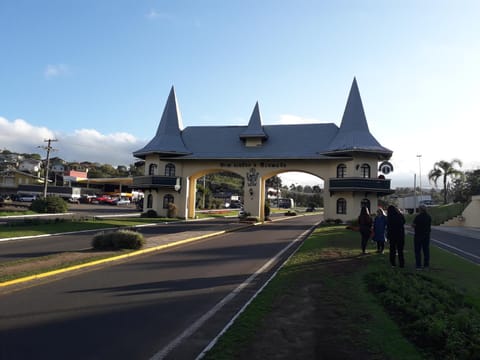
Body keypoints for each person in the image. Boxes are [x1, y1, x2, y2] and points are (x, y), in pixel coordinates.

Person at [412, 204, 432, 270]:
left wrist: (414, 225)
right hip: (426, 235)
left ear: (420, 209)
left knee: (418, 251)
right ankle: (426, 265)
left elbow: (414, 225)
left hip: (418, 235)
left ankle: (418, 265)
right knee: (426, 251)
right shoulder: (428, 217)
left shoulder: (418, 217)